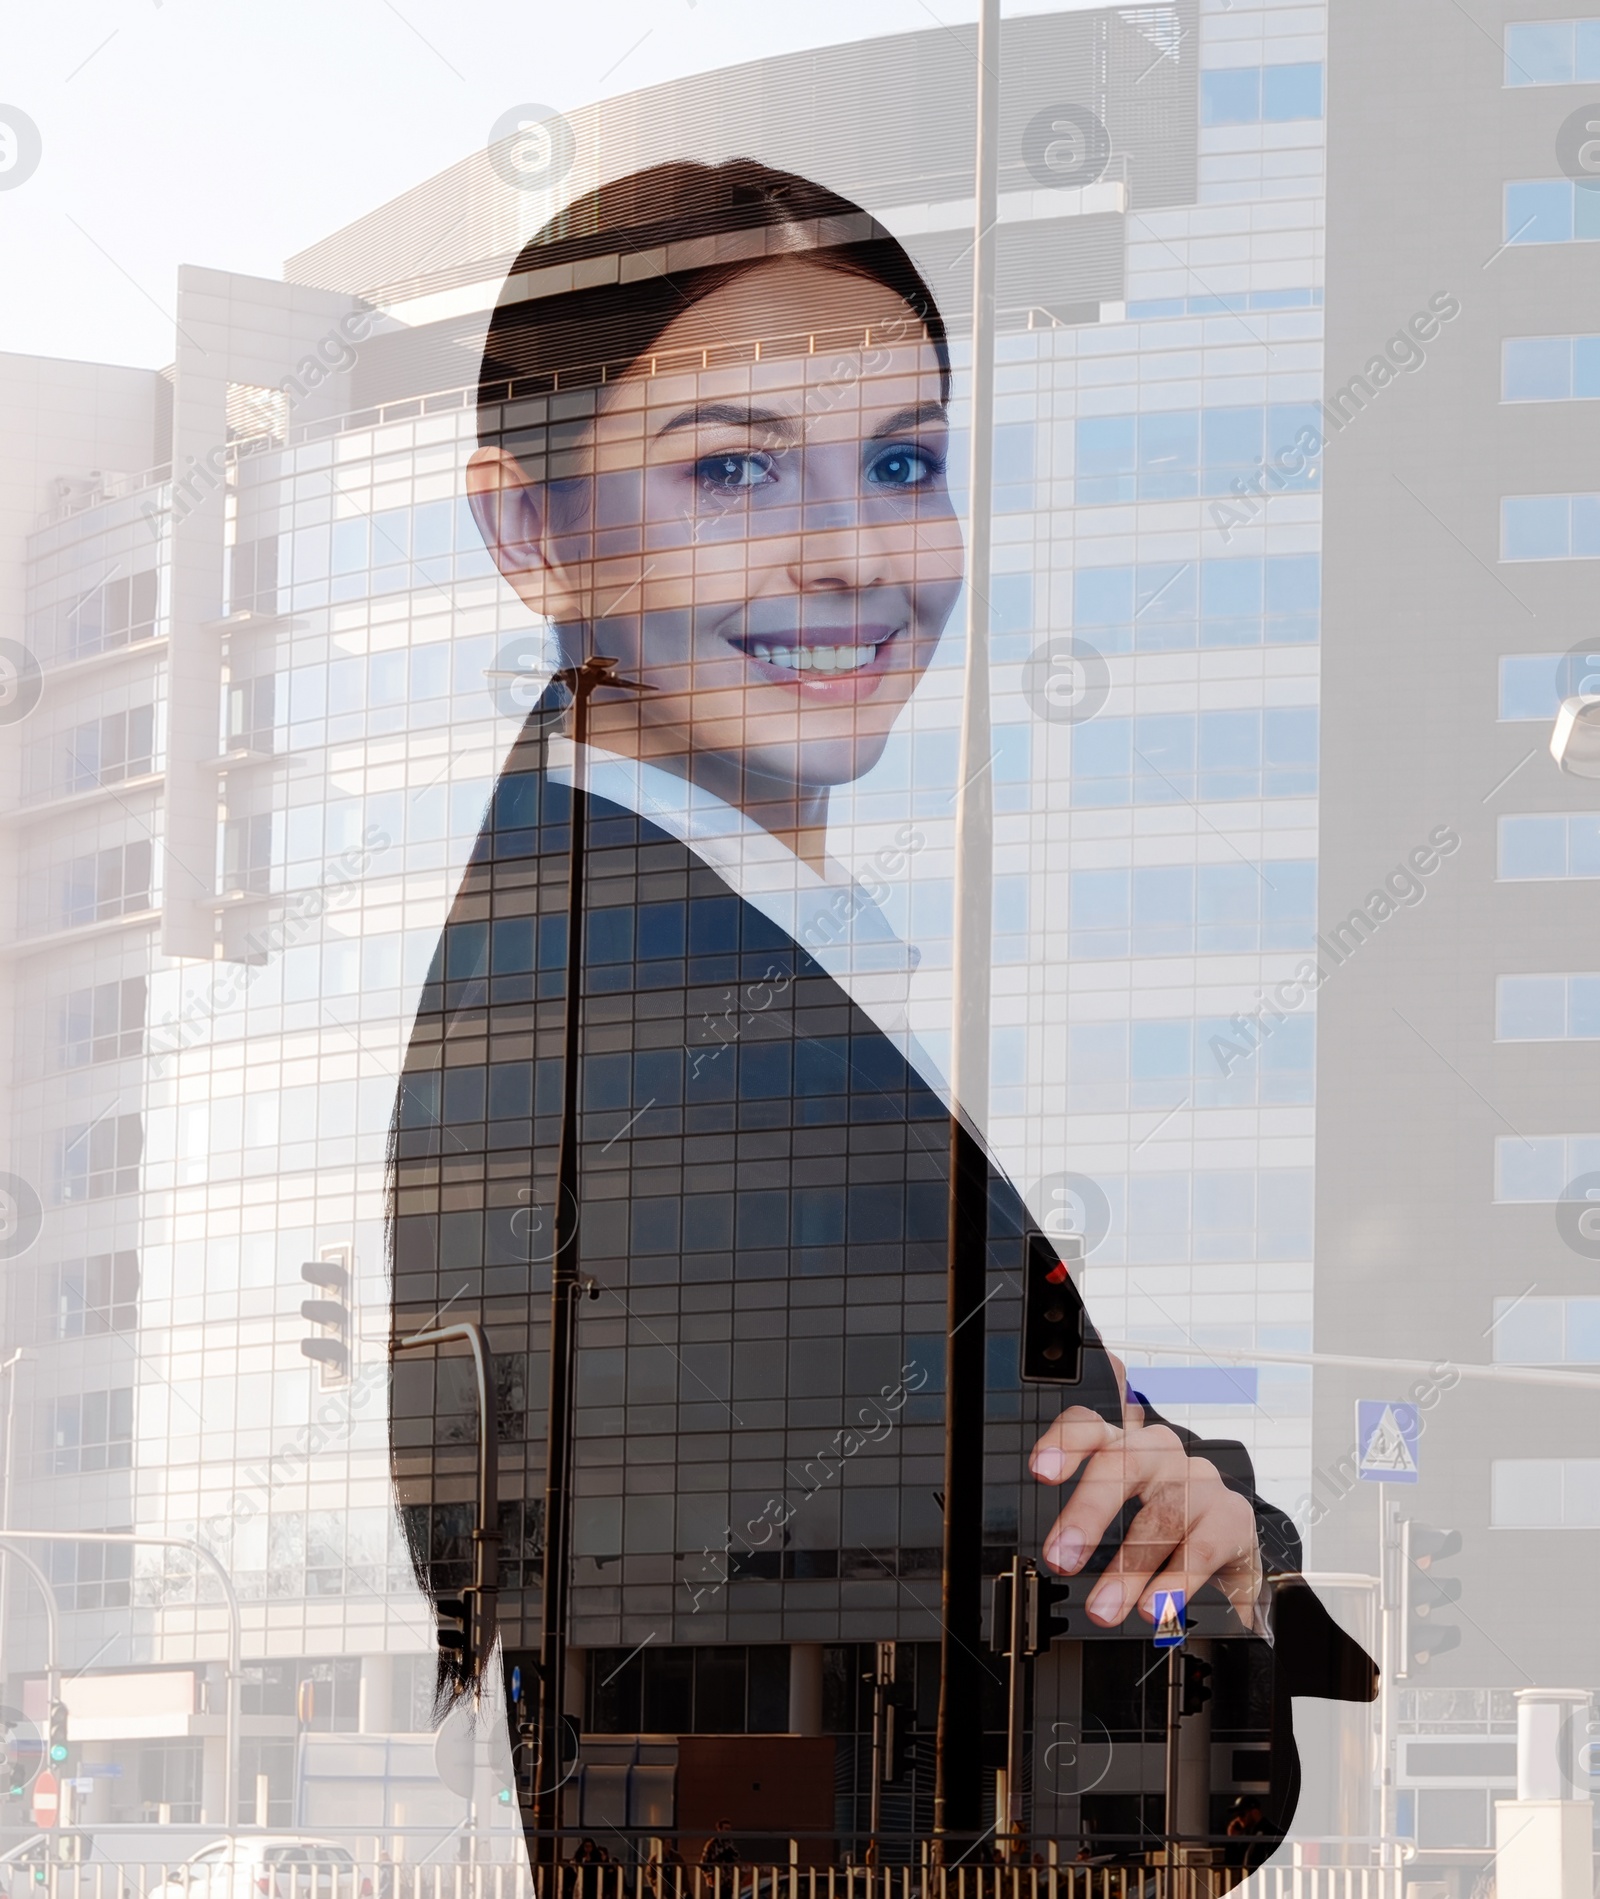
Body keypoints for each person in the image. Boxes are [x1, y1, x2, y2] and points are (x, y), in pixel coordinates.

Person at [387, 156, 1373, 1880]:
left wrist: (1207, 1515)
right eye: (735, 470)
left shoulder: (709, 964)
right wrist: (1214, 1634)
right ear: (530, 531)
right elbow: (988, 1782)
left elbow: (1028, 1489)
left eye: (903, 462)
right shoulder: (663, 1061)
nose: (853, 558)